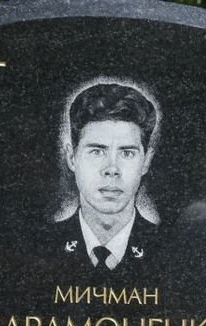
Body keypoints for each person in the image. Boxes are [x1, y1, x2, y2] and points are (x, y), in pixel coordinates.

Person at [53, 81, 160, 273]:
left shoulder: (174, 251)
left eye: (127, 153)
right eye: (97, 151)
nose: (112, 169)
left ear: (145, 162)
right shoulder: (39, 247)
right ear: (71, 157)